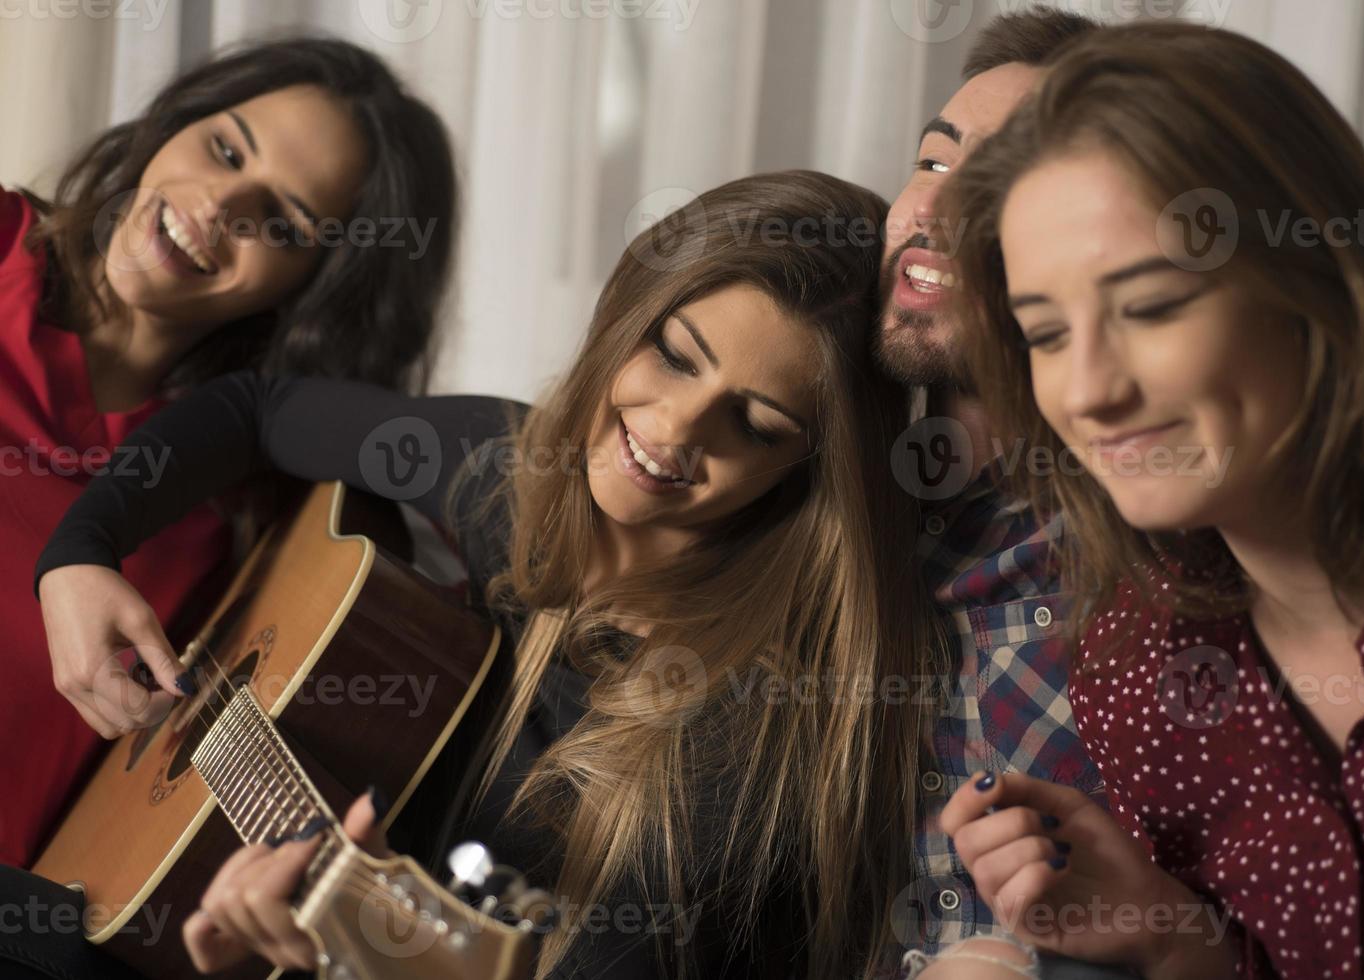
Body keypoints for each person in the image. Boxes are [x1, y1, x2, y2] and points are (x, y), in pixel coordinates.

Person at [28, 171, 941, 980]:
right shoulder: (507, 471)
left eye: (757, 424)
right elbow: (258, 406)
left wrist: (355, 948)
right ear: (627, 317)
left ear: (812, 474)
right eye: (673, 355)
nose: (672, 430)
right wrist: (81, 552)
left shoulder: (736, 739)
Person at [934, 19, 1364, 979]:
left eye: (1152, 307)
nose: (1088, 390)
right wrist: (1171, 934)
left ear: (1321, 279)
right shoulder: (1138, 663)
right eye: (1045, 334)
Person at [1, 36, 458, 869]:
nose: (217, 206)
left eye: (280, 222)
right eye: (223, 148)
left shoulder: (257, 519)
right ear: (178, 120)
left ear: (318, 286)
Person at [870, 10, 1133, 979]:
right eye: (931, 164)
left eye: (1000, 187)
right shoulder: (816, 471)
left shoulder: (1129, 562)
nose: (933, 214)